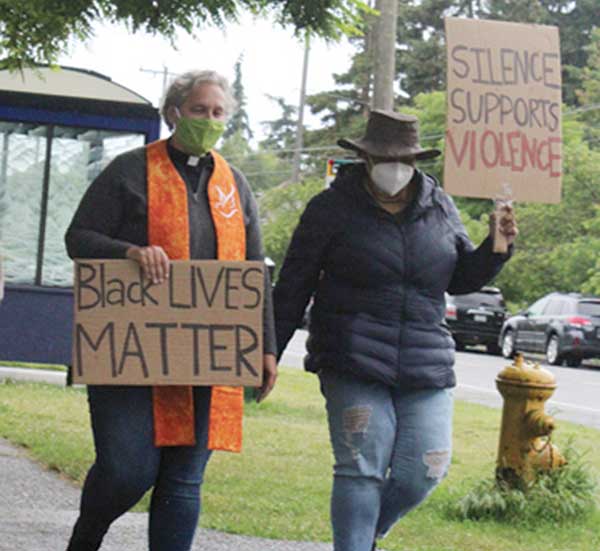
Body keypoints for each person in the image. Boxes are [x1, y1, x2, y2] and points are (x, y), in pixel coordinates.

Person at [273, 110, 517, 551]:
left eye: (405, 159)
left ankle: (365, 534)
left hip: (425, 361)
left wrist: (496, 249)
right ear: (365, 158)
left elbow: (460, 277)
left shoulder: (439, 206)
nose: (396, 167)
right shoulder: (330, 209)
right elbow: (294, 284)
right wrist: (269, 350)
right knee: (361, 466)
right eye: (386, 158)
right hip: (351, 356)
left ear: (416, 160)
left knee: (425, 469)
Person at [64, 69, 277, 551]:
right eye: (199, 109)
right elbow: (78, 238)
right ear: (174, 112)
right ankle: (88, 534)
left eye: (218, 112)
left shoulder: (234, 185)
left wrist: (264, 347)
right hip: (130, 352)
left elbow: (253, 271)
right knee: (127, 470)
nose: (208, 120)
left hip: (207, 355)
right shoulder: (129, 171)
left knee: (183, 481)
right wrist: (129, 252)